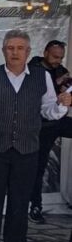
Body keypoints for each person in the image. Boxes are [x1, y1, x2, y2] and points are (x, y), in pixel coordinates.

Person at [0, 29, 71, 242]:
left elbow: (48, 110)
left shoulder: (41, 77)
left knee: (19, 203)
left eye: (19, 48)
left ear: (28, 52)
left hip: (27, 150)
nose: (15, 52)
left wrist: (61, 106)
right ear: (3, 51)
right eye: (10, 48)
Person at [28, 40, 72, 223]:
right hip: (42, 125)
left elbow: (66, 98)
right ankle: (35, 206)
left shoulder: (62, 71)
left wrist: (67, 93)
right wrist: (56, 84)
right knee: (39, 166)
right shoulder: (33, 69)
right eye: (55, 57)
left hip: (58, 120)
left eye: (61, 58)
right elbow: (36, 96)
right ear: (45, 53)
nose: (58, 61)